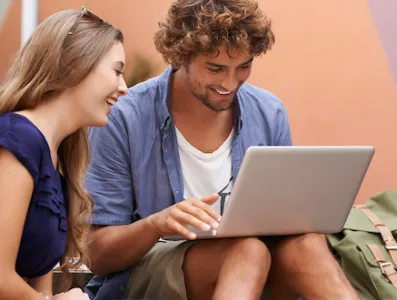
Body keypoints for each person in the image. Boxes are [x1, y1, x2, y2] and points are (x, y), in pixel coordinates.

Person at [84, 0, 359, 299]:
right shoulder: (125, 117)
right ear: (180, 57)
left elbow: (285, 226)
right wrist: (156, 224)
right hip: (145, 273)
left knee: (307, 243)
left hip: (253, 266)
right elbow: (97, 255)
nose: (230, 82)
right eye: (215, 68)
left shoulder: (269, 113)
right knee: (247, 250)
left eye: (244, 66)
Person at [0, 6, 128, 300]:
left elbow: (37, 286)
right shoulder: (17, 138)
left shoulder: (55, 157)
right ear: (75, 64)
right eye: (117, 71)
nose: (124, 88)